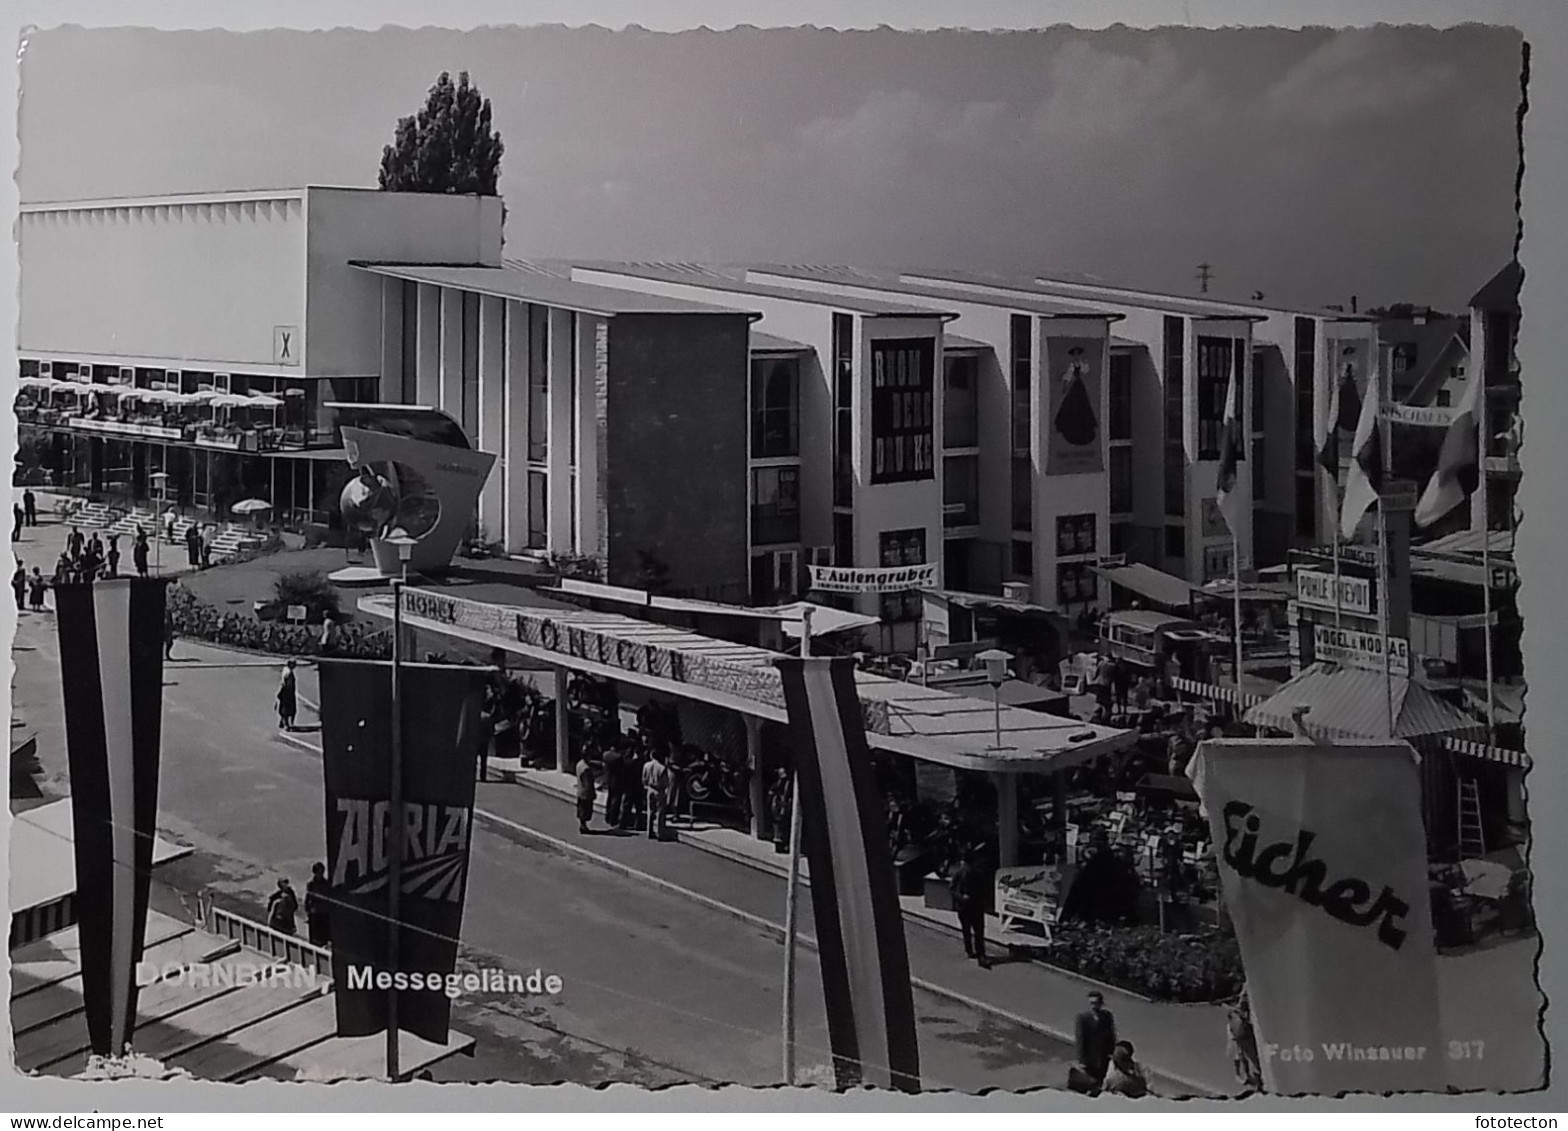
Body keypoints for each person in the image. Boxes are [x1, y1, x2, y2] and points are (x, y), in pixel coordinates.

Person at [949, 850, 991, 968]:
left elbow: (985, 889)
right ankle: (973, 951)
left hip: (972, 906)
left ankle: (978, 953)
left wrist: (982, 900)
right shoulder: (960, 874)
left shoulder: (976, 874)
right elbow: (953, 889)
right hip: (967, 907)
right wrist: (962, 897)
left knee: (976, 931)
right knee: (970, 931)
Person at [1075, 991, 1118, 1088]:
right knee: (1090, 1082)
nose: (1094, 1006)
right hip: (1090, 1057)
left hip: (1104, 1057)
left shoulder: (1107, 1016)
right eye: (1091, 1003)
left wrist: (1112, 1053)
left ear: (1101, 1004)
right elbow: (1080, 1040)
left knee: (1102, 1081)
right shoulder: (1083, 1018)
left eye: (1096, 1003)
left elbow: (1111, 1035)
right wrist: (1082, 1060)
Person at [1227, 989, 1264, 1093]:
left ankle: (1255, 1079)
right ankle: (1254, 1079)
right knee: (1250, 1057)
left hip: (1247, 1032)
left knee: (1252, 1057)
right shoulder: (1247, 992)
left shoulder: (1248, 992)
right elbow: (1241, 1009)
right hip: (1246, 1033)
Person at [642, 744, 672, 841]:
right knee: (660, 812)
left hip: (650, 788)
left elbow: (644, 778)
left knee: (650, 810)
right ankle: (659, 832)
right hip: (659, 790)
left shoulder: (646, 765)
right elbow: (666, 782)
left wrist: (646, 785)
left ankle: (649, 831)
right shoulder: (662, 768)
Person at [601, 737, 627, 831]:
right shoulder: (618, 757)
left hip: (609, 779)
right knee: (616, 800)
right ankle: (613, 818)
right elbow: (622, 770)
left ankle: (607, 815)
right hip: (617, 780)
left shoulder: (605, 754)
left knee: (609, 797)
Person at [304, 862, 332, 947]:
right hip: (315, 912)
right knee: (315, 937)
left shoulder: (327, 884)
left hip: (325, 912)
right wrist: (308, 911)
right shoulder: (311, 884)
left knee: (324, 935)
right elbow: (308, 898)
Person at [574, 753, 597, 834]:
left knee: (581, 809)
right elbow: (588, 783)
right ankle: (583, 826)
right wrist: (593, 793)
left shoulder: (579, 764)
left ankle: (582, 825)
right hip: (586, 793)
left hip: (580, 791)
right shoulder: (586, 768)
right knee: (585, 810)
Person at [276, 660, 298, 730]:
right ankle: (287, 725)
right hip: (288, 693)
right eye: (293, 664)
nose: (295, 665)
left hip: (285, 692)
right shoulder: (289, 673)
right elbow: (287, 684)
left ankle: (282, 722)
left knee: (283, 708)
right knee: (288, 709)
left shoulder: (285, 669)